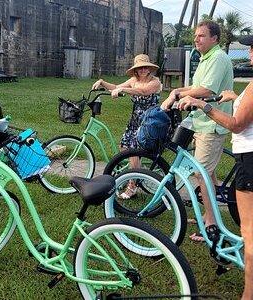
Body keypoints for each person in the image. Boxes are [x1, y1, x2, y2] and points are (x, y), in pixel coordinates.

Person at [178, 34, 253, 300]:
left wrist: (204, 107)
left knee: (249, 235)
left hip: (248, 159)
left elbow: (236, 124)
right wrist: (235, 95)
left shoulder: (223, 60)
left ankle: (248, 294)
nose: (252, 52)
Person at [161, 20, 233, 242]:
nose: (196, 39)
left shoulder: (218, 58)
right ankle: (208, 214)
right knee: (207, 174)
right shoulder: (205, 58)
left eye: (201, 35)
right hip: (201, 122)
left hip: (211, 125)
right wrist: (176, 92)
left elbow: (206, 90)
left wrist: (179, 95)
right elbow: (194, 88)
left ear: (214, 38)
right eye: (196, 36)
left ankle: (212, 223)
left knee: (199, 174)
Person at [92, 54, 162, 199]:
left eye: (145, 67)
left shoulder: (155, 82)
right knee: (125, 147)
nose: (143, 70)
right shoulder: (133, 80)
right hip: (135, 120)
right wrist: (102, 82)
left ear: (149, 68)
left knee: (133, 152)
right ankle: (136, 174)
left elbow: (143, 92)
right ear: (135, 70)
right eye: (139, 68)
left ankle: (132, 185)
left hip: (149, 121)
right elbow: (116, 87)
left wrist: (123, 90)